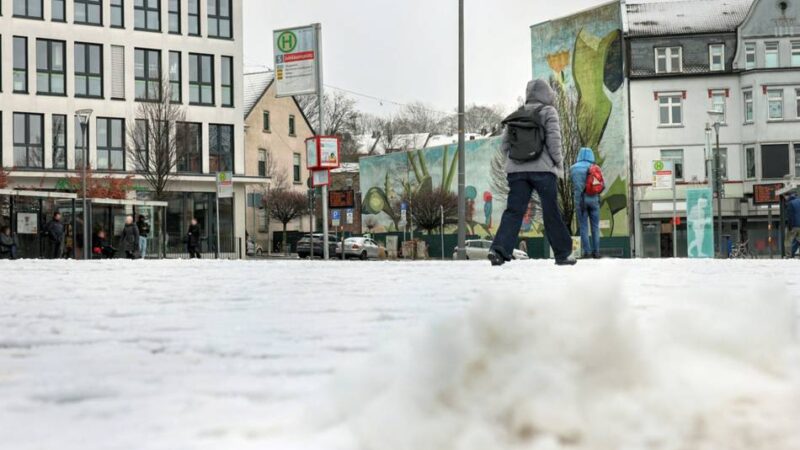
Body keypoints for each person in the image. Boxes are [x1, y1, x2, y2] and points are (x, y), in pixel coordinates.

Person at [489, 79, 576, 266]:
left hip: (516, 172)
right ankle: (563, 254)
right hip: (543, 171)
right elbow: (554, 142)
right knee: (551, 211)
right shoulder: (549, 112)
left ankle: (498, 250)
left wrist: (516, 160)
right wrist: (558, 164)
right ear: (547, 94)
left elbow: (504, 146)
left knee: (514, 211)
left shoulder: (518, 114)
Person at [571, 147, 602, 259]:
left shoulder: (573, 168)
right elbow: (602, 185)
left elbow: (573, 184)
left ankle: (587, 252)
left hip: (581, 201)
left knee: (583, 227)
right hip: (594, 200)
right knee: (595, 227)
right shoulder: (596, 168)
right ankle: (596, 252)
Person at [785, 192, 800, 258]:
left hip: (794, 226)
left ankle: (789, 256)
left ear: (788, 196)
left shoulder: (790, 203)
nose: (785, 198)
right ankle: (792, 254)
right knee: (797, 240)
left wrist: (790, 227)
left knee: (788, 241)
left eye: (785, 197)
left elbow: (790, 216)